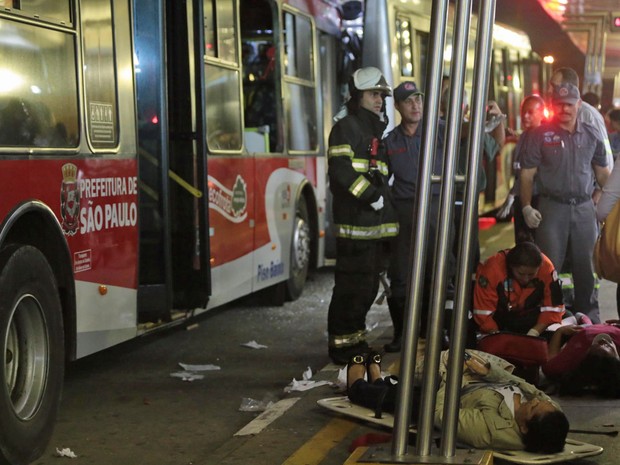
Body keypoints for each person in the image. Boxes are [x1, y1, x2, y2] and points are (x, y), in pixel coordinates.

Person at [345, 350, 569, 452]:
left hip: (448, 394)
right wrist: (490, 372)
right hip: (477, 382)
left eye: (533, 407)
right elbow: (527, 386)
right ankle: (377, 378)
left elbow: (440, 412)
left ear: (523, 427)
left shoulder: (490, 430)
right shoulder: (551, 412)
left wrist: (453, 376)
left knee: (403, 399)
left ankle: (357, 386)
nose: (535, 400)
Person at [520, 82, 611, 324]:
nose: (565, 109)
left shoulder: (591, 133)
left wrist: (610, 197)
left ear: (579, 105)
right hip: (552, 208)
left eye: (569, 104)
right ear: (553, 106)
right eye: (559, 105)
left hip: (584, 209)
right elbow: (527, 174)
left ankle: (589, 324)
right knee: (548, 269)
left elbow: (603, 174)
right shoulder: (539, 135)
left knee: (588, 271)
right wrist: (526, 206)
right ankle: (548, 323)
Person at [326, 67, 398, 364]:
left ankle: (355, 343)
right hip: (356, 226)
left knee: (366, 288)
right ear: (358, 97)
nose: (380, 100)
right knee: (351, 289)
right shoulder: (347, 128)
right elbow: (340, 172)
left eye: (382, 95)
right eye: (373, 94)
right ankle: (342, 347)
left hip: (373, 229)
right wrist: (371, 196)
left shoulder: (372, 130)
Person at [382, 81, 455, 352]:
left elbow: (471, 137)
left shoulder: (440, 132)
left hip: (437, 207)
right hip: (405, 211)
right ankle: (402, 334)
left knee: (439, 271)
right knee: (401, 274)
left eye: (419, 100)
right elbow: (382, 179)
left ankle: (439, 331)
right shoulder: (391, 141)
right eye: (409, 101)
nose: (415, 106)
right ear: (398, 107)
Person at [472, 241, 565, 336]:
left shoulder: (547, 268)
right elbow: (482, 312)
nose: (526, 279)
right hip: (499, 318)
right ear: (511, 266)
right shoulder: (492, 269)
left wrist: (534, 333)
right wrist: (497, 337)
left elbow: (554, 308)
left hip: (530, 318)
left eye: (531, 274)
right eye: (521, 274)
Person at [496, 95, 546, 243]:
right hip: (522, 200)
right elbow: (519, 171)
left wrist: (513, 194)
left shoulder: (544, 138)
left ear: (541, 113)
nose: (525, 116)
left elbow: (531, 174)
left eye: (531, 112)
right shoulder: (524, 136)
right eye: (523, 111)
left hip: (536, 200)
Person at [543, 323, 620, 397]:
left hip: (580, 328)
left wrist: (559, 331)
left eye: (599, 343)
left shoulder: (574, 356)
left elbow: (550, 360)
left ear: (587, 354)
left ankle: (583, 318)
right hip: (609, 325)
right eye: (608, 345)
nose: (603, 338)